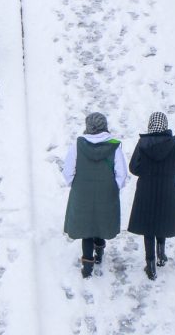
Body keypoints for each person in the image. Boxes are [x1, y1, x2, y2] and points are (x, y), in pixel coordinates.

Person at [63, 112, 128, 278]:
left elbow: (68, 171)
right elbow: (121, 173)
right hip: (106, 191)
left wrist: (76, 185)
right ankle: (99, 252)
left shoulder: (78, 145)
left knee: (86, 228)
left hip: (82, 191)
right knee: (100, 222)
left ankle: (87, 266)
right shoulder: (114, 147)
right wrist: (114, 187)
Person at [127, 112, 175, 280]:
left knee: (148, 226)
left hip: (146, 189)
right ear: (165, 126)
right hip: (168, 189)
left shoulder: (142, 144)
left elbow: (133, 168)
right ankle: (161, 254)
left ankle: (150, 264)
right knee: (162, 220)